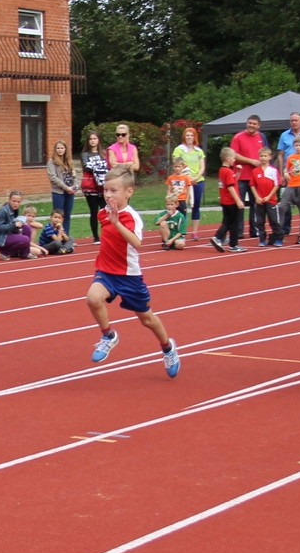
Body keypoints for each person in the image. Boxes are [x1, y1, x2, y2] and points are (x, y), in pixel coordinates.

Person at [85, 168, 180, 377]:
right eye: (105, 190)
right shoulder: (103, 213)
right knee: (92, 298)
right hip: (106, 271)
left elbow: (136, 243)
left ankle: (168, 348)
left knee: (147, 319)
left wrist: (117, 222)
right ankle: (108, 335)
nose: (108, 195)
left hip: (129, 277)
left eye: (113, 190)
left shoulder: (132, 217)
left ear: (128, 192)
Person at [231, 115, 267, 240]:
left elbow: (266, 153)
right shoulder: (238, 137)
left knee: (256, 204)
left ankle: (254, 229)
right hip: (241, 176)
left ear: (258, 125)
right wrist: (251, 161)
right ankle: (239, 231)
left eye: (254, 124)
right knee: (240, 204)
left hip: (256, 177)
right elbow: (234, 155)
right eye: (250, 123)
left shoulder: (261, 137)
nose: (251, 125)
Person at [210, 147, 247, 253]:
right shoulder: (228, 172)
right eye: (233, 158)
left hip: (224, 200)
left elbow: (232, 182)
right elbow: (231, 187)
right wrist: (238, 200)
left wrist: (238, 173)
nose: (234, 160)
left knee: (230, 222)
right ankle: (218, 237)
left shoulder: (222, 171)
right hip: (231, 201)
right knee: (231, 222)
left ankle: (233, 244)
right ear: (227, 158)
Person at [172, 126, 206, 239]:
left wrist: (196, 177)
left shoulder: (199, 151)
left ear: (195, 137)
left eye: (191, 135)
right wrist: (187, 176)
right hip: (183, 181)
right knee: (183, 206)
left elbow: (202, 166)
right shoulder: (179, 149)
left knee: (195, 205)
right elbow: (176, 163)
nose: (189, 137)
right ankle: (182, 230)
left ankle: (195, 232)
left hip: (197, 181)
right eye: (187, 135)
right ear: (184, 137)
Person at [81, 131, 109, 241]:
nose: (93, 141)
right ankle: (96, 237)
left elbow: (108, 166)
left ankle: (106, 234)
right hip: (90, 186)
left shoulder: (104, 153)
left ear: (98, 140)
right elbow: (87, 167)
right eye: (91, 139)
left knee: (104, 210)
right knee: (94, 211)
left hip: (103, 186)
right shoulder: (85, 154)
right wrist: (100, 167)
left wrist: (97, 167)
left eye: (95, 138)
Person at [250, 146, 281, 246]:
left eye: (265, 156)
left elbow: (277, 184)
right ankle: (262, 239)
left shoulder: (273, 170)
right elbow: (252, 185)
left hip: (271, 200)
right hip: (260, 200)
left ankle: (277, 238)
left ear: (270, 157)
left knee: (274, 220)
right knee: (259, 221)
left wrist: (269, 196)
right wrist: (256, 197)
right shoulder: (255, 171)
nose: (263, 158)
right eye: (261, 156)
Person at [0, 190, 33, 259]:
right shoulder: (3, 211)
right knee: (25, 239)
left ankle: (24, 253)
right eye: (14, 201)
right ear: (9, 200)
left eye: (18, 202)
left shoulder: (15, 210)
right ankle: (5, 252)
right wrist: (14, 225)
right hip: (1, 237)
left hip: (9, 233)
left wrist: (20, 222)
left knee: (27, 228)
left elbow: (13, 222)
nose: (16, 204)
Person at [46, 139, 78, 226]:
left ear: (65, 149)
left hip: (70, 192)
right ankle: (56, 236)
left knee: (67, 216)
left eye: (62, 148)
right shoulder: (51, 162)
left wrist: (75, 187)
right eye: (58, 148)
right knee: (57, 216)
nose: (60, 150)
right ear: (55, 150)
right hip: (58, 192)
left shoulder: (69, 161)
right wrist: (65, 188)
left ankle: (65, 237)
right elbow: (53, 177)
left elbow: (74, 175)